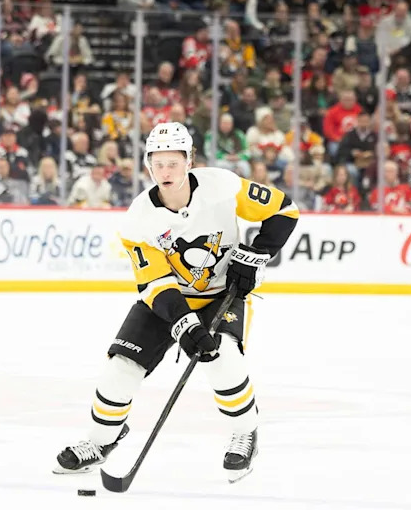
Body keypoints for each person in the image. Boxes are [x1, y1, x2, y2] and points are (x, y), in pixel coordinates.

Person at [54, 122, 299, 482]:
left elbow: (284, 211)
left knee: (223, 360)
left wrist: (256, 255)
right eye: (157, 162)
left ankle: (246, 431)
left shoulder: (223, 186)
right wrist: (186, 325)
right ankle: (102, 440)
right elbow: (155, 285)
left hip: (219, 294)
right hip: (167, 300)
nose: (165, 171)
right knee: (120, 368)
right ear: (147, 165)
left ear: (190, 161)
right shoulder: (139, 218)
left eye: (173, 162)